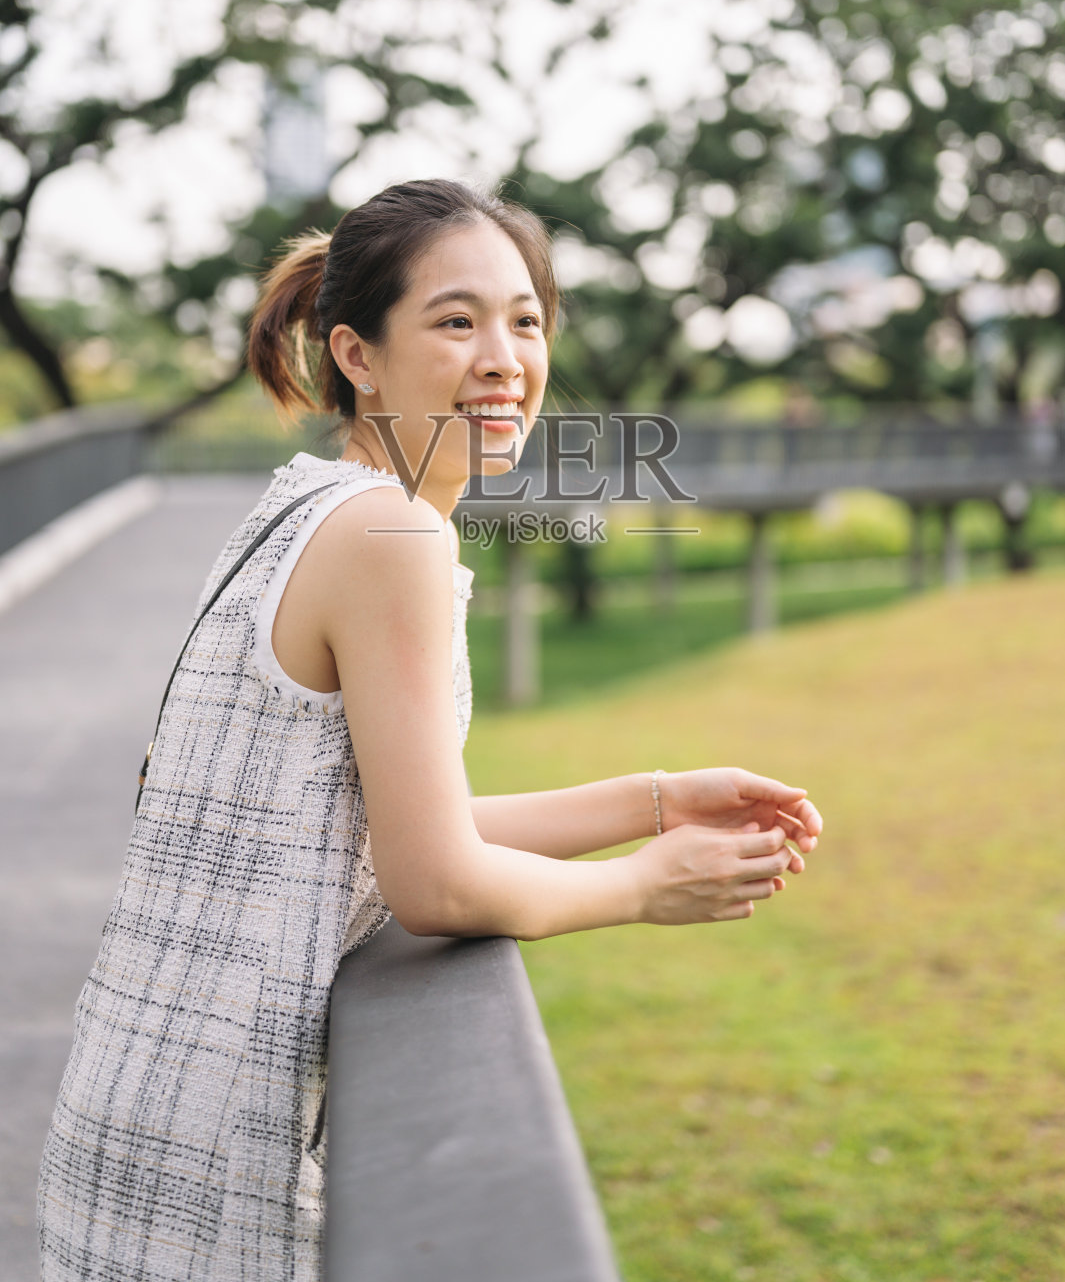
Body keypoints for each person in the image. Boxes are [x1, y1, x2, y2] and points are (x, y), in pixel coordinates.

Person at [38, 178, 822, 1281]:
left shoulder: (301, 503)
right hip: (229, 1144)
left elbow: (350, 824)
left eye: (526, 320)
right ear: (357, 354)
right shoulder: (390, 533)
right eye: (457, 321)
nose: (504, 357)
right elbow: (435, 884)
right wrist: (644, 886)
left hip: (138, 1098)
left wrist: (653, 796)